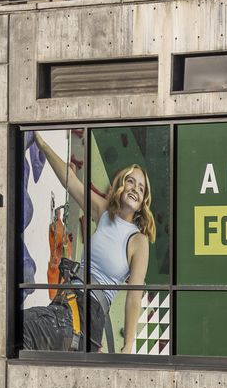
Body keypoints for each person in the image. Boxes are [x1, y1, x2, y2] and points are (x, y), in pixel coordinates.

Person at [34, 137, 157, 352]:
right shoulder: (103, 212)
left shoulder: (138, 241)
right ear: (121, 184)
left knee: (27, 328)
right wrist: (42, 144)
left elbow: (134, 296)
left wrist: (128, 345)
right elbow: (69, 180)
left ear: (143, 203)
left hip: (89, 312)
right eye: (131, 181)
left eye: (141, 188)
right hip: (69, 298)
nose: (135, 189)